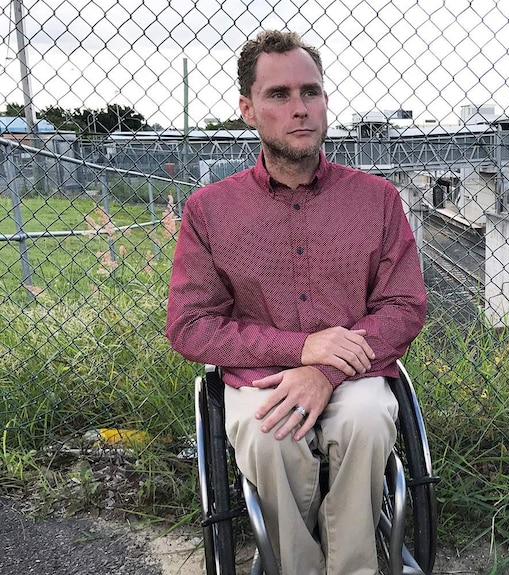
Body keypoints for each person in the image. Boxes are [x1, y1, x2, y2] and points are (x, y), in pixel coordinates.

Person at [166, 29, 427, 575]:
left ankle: (352, 567)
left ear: (326, 100)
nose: (299, 108)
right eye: (278, 95)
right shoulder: (210, 210)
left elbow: (404, 305)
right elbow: (190, 326)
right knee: (269, 436)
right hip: (259, 376)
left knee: (366, 419)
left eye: (311, 92)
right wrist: (301, 348)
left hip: (356, 370)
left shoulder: (376, 200)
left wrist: (325, 370)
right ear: (248, 109)